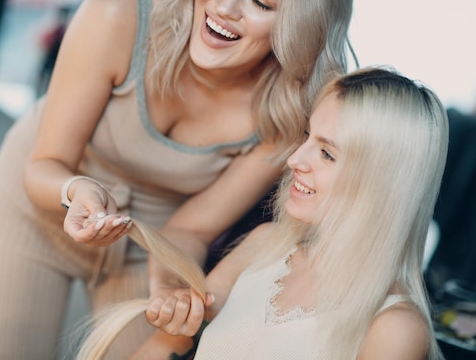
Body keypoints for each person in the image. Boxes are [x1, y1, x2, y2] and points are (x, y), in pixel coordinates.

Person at [0, 0, 356, 358]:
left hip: (152, 242)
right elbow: (45, 165)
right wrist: (76, 189)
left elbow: (193, 229)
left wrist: (171, 284)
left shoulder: (290, 112)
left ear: (302, 26)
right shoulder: (117, 15)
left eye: (261, 1)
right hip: (42, 207)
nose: (224, 7)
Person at [75, 67, 448, 360]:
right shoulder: (263, 245)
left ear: (381, 185)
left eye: (327, 154)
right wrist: (176, 319)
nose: (294, 159)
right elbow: (164, 347)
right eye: (307, 137)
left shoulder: (394, 329)